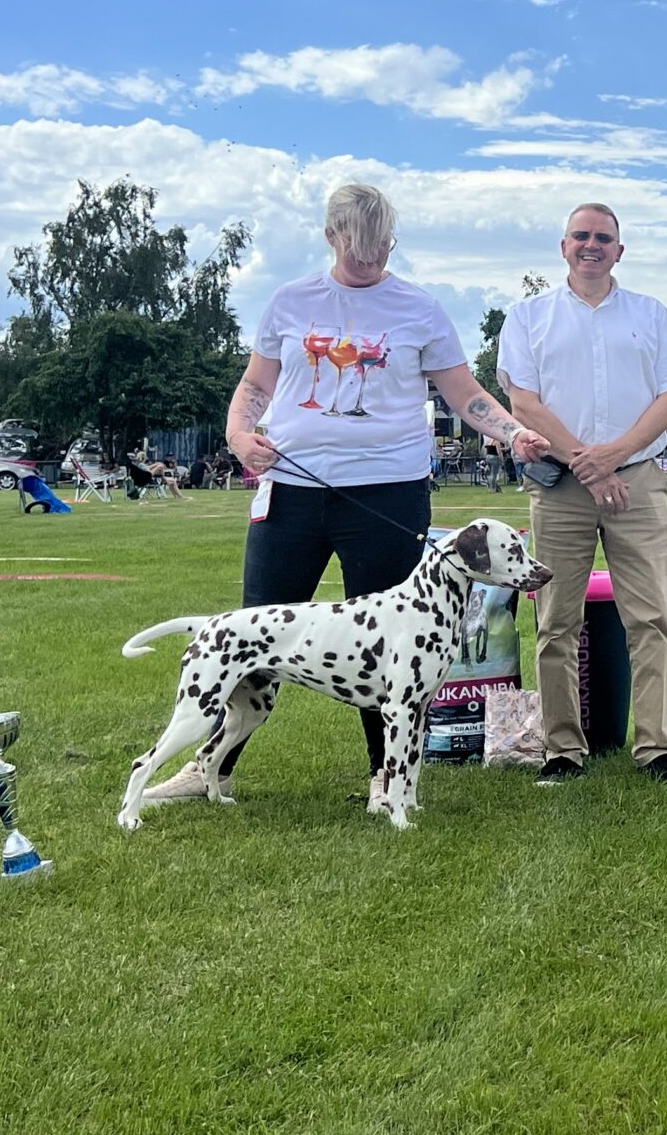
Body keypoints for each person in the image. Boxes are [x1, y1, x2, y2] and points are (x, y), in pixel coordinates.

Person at [139, 182, 547, 807]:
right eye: (359, 252)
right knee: (255, 625)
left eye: (383, 248)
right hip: (292, 488)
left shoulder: (420, 309)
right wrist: (240, 435)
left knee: (396, 637)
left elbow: (464, 394)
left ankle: (386, 777)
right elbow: (255, 384)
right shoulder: (289, 301)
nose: (372, 261)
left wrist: (512, 430)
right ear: (332, 238)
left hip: (388, 493)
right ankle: (208, 767)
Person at [501, 200, 667, 783]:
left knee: (651, 617)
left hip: (636, 481)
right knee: (555, 621)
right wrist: (587, 464)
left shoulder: (649, 313)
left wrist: (613, 457)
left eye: (604, 238)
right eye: (581, 236)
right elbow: (525, 403)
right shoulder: (527, 318)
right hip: (560, 485)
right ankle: (562, 750)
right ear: (563, 246)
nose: (592, 245)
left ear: (621, 250)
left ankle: (656, 746)